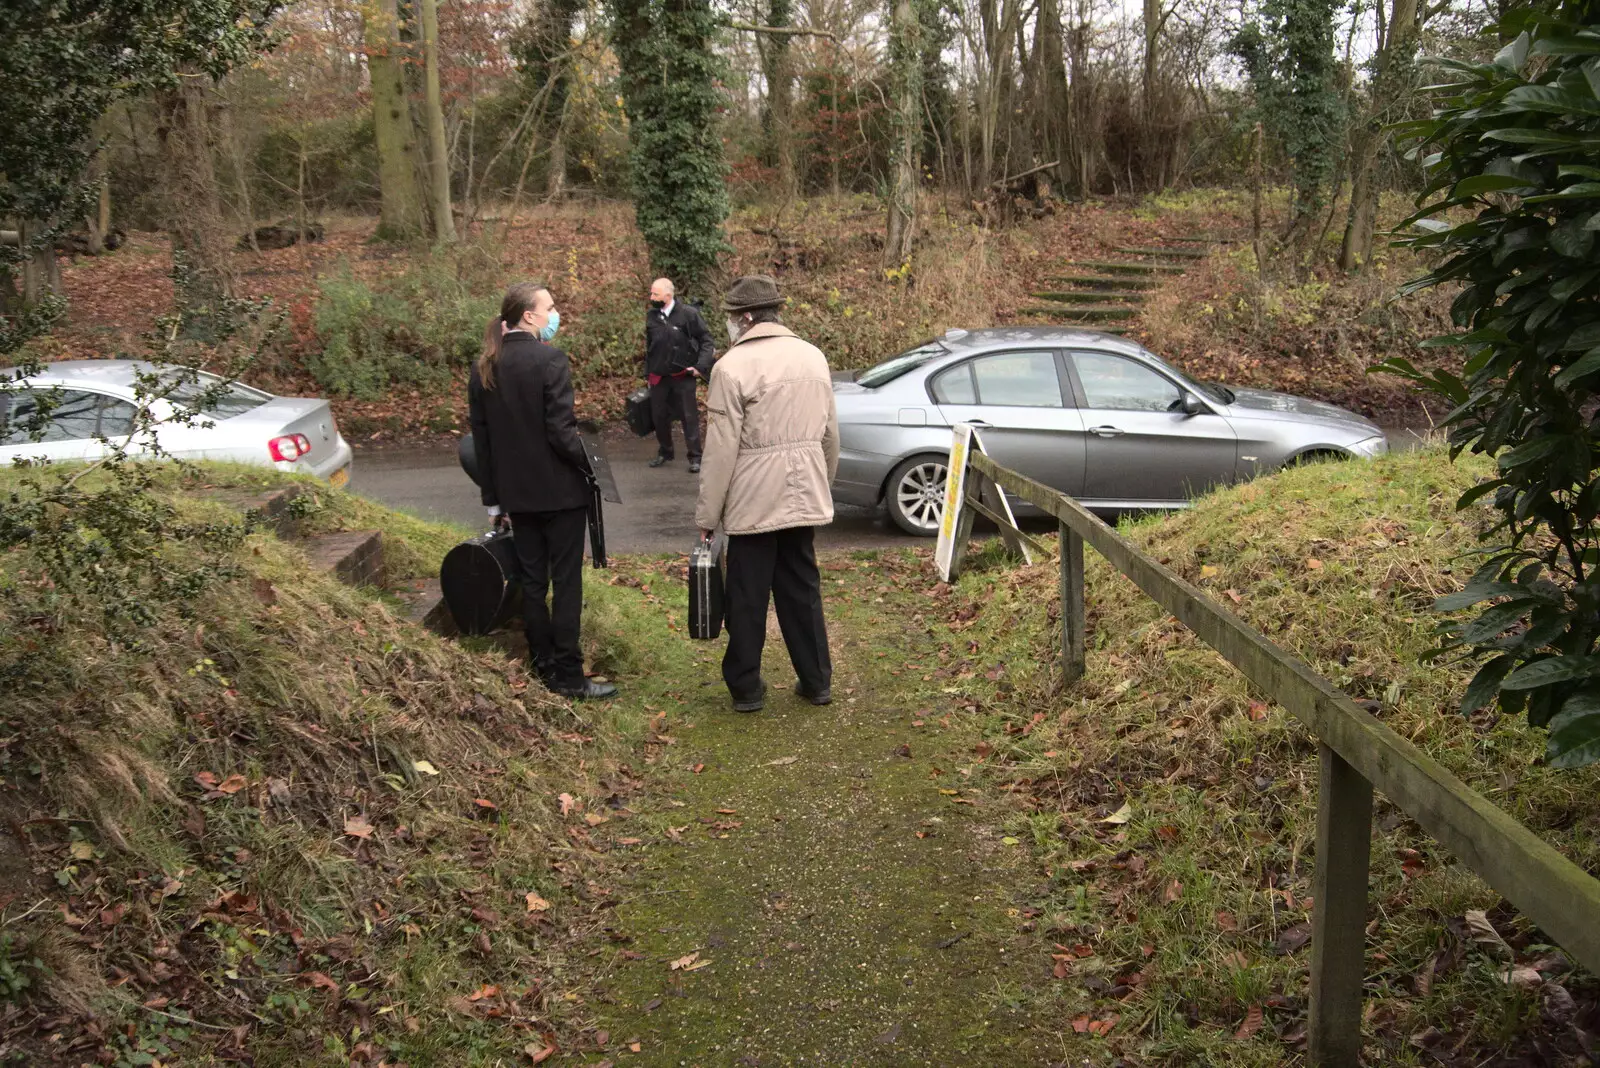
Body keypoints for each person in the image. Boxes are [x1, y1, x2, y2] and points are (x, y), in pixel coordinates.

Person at [695, 275, 838, 713]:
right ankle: (816, 682)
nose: (729, 325)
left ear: (746, 317)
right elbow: (831, 434)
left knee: (747, 593)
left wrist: (707, 516)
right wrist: (820, 483)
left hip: (753, 498)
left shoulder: (731, 368)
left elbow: (720, 450)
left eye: (731, 317)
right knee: (802, 589)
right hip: (804, 494)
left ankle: (746, 688)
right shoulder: (814, 356)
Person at [469, 282, 617, 701]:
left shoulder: (486, 366)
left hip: (516, 497)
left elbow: (483, 442)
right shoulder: (549, 360)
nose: (555, 314)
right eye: (549, 307)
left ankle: (542, 666)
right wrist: (593, 462)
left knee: (534, 581)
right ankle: (570, 675)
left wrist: (493, 499)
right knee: (566, 582)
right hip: (560, 494)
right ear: (529, 316)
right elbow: (560, 432)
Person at [644, 277, 716, 473]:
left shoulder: (689, 314)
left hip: (682, 376)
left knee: (688, 416)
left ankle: (695, 457)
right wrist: (648, 374)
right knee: (659, 416)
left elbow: (707, 341)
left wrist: (700, 367)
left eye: (655, 294)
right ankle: (665, 452)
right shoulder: (652, 316)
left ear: (668, 295)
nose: (651, 297)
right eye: (651, 293)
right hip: (659, 376)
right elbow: (649, 347)